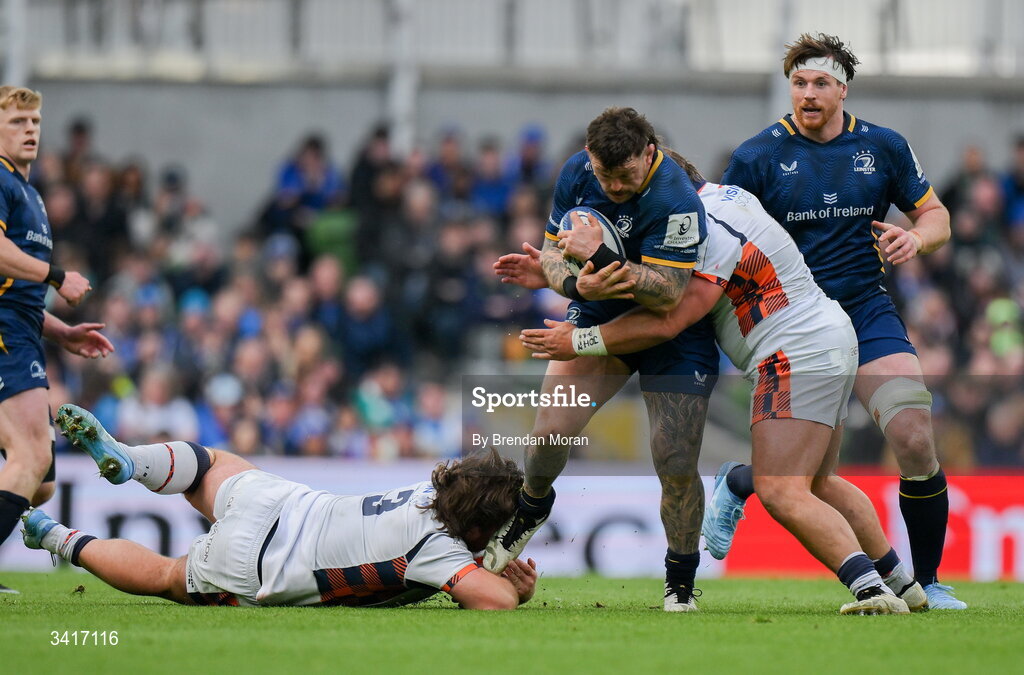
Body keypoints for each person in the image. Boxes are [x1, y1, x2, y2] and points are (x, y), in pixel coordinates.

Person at [519, 163, 924, 614]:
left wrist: (580, 333)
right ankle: (903, 582)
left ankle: (869, 588)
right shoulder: (731, 197)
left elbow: (669, 315)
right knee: (818, 482)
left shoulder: (701, 229)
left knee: (783, 489)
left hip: (792, 353)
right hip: (830, 336)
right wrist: (561, 269)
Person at [704, 33, 964, 609]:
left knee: (914, 435)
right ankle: (743, 480)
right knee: (813, 479)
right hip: (795, 324)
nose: (808, 93)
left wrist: (915, 237)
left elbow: (938, 215)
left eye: (820, 82)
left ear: (843, 88)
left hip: (866, 310)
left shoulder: (884, 147)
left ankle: (929, 582)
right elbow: (723, 236)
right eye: (799, 83)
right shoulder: (757, 156)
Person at [490, 107, 719, 612]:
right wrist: (575, 283)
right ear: (589, 158)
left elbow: (667, 294)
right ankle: (531, 508)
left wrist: (602, 261)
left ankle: (680, 584)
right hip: (597, 308)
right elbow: (550, 256)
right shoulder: (576, 171)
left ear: (649, 152)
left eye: (626, 174)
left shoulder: (676, 198)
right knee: (550, 432)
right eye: (603, 173)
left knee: (675, 461)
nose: (614, 185)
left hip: (673, 334)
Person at [23, 404, 537, 610]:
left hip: (280, 501)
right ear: (477, 524)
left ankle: (131, 460)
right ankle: (51, 534)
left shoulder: (427, 493)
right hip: (266, 566)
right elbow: (496, 601)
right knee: (165, 574)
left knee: (209, 464)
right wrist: (508, 581)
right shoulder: (439, 548)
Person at [0, 86, 112, 594]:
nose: (30, 129)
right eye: (18, 120)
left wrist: (62, 331)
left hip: (22, 329)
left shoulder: (32, 194)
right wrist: (55, 274)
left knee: (39, 479)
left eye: (35, 121)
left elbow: (16, 287)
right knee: (29, 456)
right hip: (4, 336)